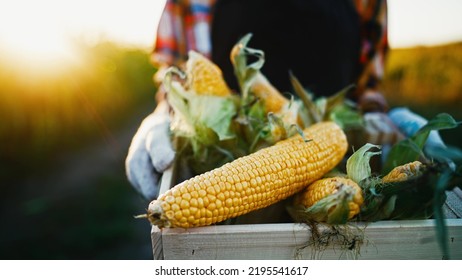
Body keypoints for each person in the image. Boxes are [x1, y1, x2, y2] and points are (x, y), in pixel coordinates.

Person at [126, 0, 395, 201]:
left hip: (339, 173)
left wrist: (385, 115)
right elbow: (176, 80)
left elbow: (366, 85)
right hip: (222, 168)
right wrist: (161, 115)